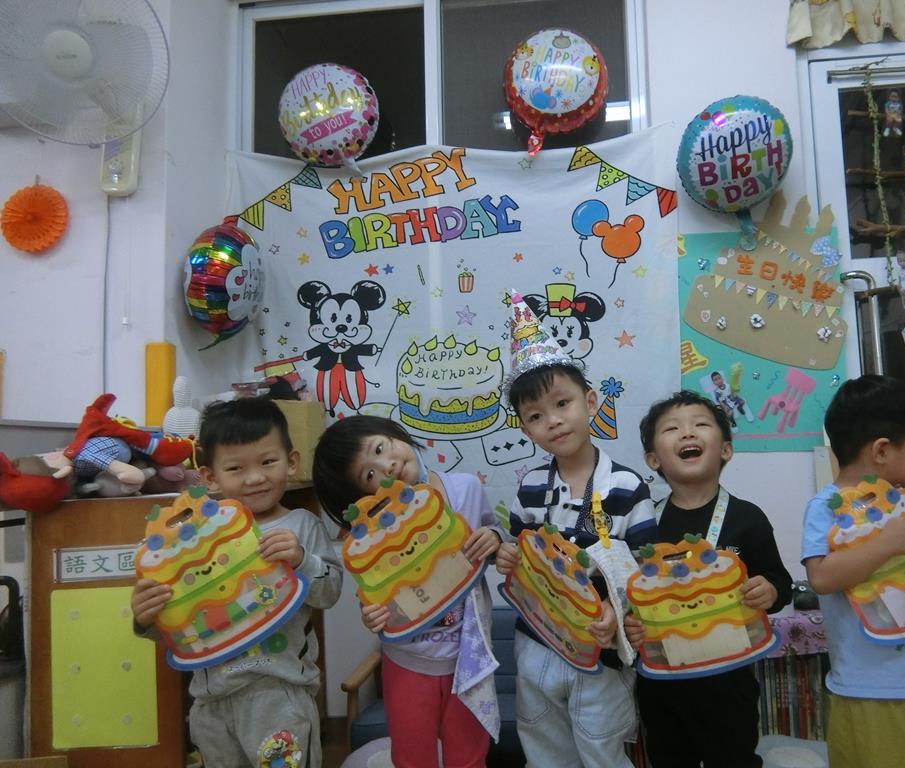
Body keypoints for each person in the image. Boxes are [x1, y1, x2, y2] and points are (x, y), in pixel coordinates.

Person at [131, 397, 343, 768]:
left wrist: (302, 559)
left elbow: (330, 592)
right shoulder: (190, 542)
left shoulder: (300, 526)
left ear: (291, 461)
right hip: (210, 701)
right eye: (235, 468)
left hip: (279, 694)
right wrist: (146, 618)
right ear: (210, 477)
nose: (255, 477)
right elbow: (180, 623)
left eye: (268, 462)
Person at [494, 292, 657, 768]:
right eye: (535, 416)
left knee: (602, 749)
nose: (553, 421)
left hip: (599, 645)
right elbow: (519, 553)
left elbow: (646, 569)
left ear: (589, 402)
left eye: (562, 403)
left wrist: (616, 609)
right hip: (535, 642)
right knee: (544, 750)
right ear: (526, 429)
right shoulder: (529, 487)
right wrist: (507, 555)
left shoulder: (627, 486)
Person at [312, 414, 503, 768]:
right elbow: (378, 595)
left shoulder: (466, 489)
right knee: (412, 759)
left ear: (393, 434)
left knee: (470, 759)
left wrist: (494, 539)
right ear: (363, 496)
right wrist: (372, 615)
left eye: (380, 448)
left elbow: (495, 540)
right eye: (369, 475)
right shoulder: (373, 533)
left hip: (470, 659)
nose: (387, 466)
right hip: (407, 662)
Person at [801, 375, 905, 768]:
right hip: (872, 693)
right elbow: (821, 578)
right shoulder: (825, 507)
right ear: (881, 450)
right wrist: (887, 542)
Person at [624, 390, 792, 768]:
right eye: (672, 429)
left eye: (700, 425)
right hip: (662, 683)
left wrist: (769, 589)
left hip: (729, 683)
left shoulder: (747, 518)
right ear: (653, 459)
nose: (687, 433)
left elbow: (779, 580)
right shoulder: (643, 524)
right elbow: (631, 596)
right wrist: (630, 623)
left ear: (726, 450)